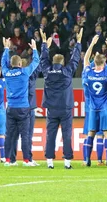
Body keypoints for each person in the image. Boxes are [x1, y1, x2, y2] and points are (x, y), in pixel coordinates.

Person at [39, 29, 83, 169]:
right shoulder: (67, 71)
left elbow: (42, 60)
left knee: (50, 134)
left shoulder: (47, 71)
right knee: (67, 134)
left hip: (52, 109)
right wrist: (79, 43)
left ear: (53, 62)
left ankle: (50, 162)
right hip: (65, 108)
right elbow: (76, 59)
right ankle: (67, 162)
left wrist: (45, 44)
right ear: (63, 62)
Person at [82, 35, 107, 167]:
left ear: (94, 61)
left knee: (91, 133)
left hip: (93, 108)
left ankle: (87, 160)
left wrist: (92, 44)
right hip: (105, 107)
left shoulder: (88, 72)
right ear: (104, 62)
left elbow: (86, 59)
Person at [1, 37, 40, 166]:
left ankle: (9, 160)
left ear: (11, 64)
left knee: (10, 135)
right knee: (25, 135)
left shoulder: (6, 73)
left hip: (10, 108)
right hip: (23, 108)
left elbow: (2, 63)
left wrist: (6, 48)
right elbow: (36, 62)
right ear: (20, 64)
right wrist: (34, 49)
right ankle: (27, 160)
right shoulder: (24, 72)